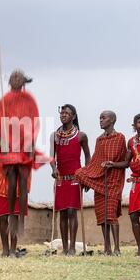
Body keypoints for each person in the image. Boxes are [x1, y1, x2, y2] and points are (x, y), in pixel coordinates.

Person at [0, 69, 43, 237]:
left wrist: (31, 143)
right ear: (9, 81)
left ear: (24, 82)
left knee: (23, 181)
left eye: (19, 77)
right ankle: (12, 215)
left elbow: (34, 122)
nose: (15, 79)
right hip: (8, 146)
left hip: (24, 145)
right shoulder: (2, 102)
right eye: (13, 77)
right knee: (11, 181)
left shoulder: (29, 101)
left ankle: (20, 219)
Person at [105, 114, 140, 256]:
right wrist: (113, 164)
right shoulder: (130, 142)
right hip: (136, 183)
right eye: (139, 123)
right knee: (134, 216)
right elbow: (127, 163)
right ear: (134, 125)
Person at [75, 111, 127, 256]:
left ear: (112, 120)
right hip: (99, 180)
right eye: (100, 118)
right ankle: (107, 248)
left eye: (104, 118)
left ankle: (117, 248)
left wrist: (112, 164)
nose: (101, 120)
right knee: (102, 217)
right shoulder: (99, 139)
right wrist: (87, 178)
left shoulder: (120, 137)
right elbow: (95, 162)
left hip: (113, 180)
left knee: (111, 215)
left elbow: (123, 162)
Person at [50, 104, 91, 256]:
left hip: (75, 178)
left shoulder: (81, 136)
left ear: (73, 116)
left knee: (72, 211)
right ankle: (65, 248)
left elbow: (88, 156)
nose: (63, 115)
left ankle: (73, 247)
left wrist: (86, 176)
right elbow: (51, 157)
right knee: (62, 212)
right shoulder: (55, 135)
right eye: (62, 113)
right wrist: (53, 169)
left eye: (67, 113)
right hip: (61, 178)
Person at [0, 163, 30, 257]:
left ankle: (13, 250)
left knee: (14, 216)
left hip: (17, 185)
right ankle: (5, 249)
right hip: (1, 184)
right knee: (2, 217)